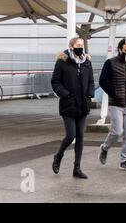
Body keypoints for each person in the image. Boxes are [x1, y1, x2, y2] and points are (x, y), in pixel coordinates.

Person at [51, 36, 95, 179]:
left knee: (81, 136)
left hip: (83, 104)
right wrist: (66, 95)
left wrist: (90, 95)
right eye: (78, 45)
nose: (80, 47)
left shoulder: (86, 62)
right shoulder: (62, 62)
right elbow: (55, 82)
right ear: (71, 47)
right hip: (68, 104)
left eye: (82, 45)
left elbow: (91, 81)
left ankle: (77, 168)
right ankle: (58, 156)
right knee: (71, 135)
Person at [98, 38, 126, 172]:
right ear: (120, 49)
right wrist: (113, 93)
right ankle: (105, 148)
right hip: (115, 104)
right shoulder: (110, 63)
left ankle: (124, 161)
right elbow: (102, 81)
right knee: (117, 131)